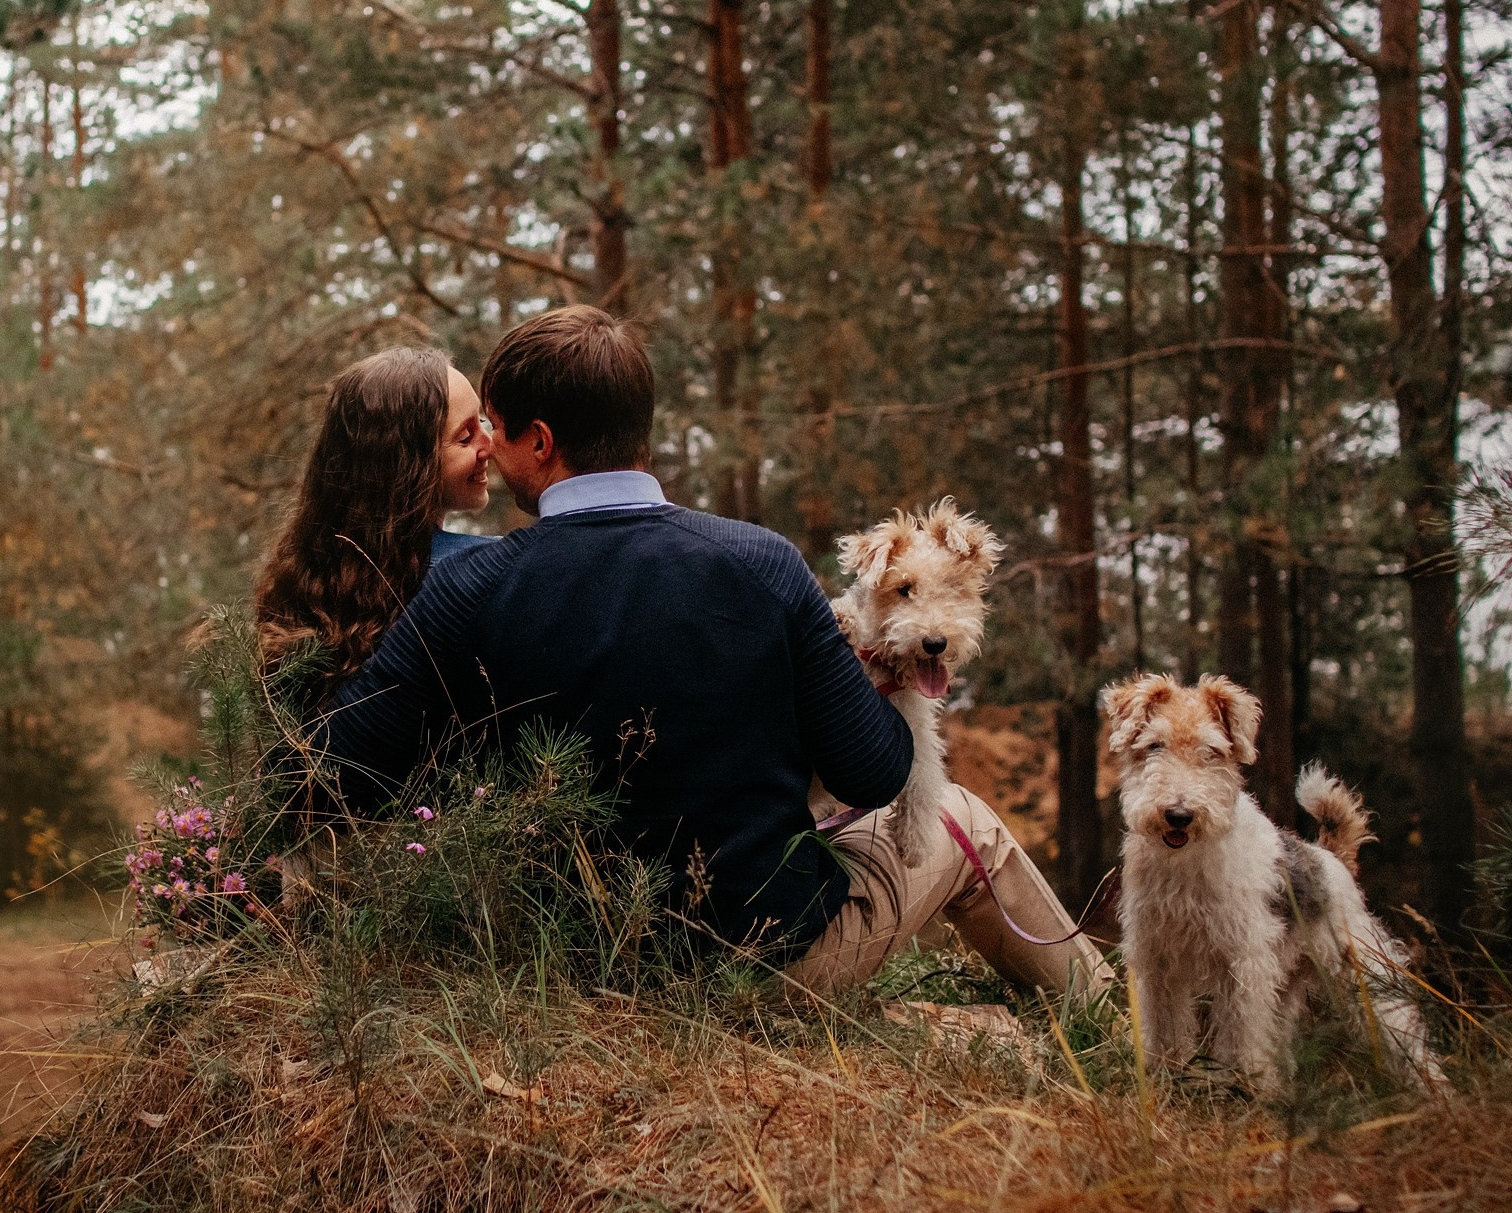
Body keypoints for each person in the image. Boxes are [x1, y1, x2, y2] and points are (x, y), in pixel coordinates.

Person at [317, 307, 1107, 997]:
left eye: (494, 425)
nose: (488, 444)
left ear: (542, 441)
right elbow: (874, 773)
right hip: (772, 964)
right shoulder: (762, 563)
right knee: (967, 819)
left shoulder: (472, 590)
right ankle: (1115, 1027)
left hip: (575, 972)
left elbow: (332, 770)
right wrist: (869, 673)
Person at [253, 347, 496, 689]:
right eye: (466, 436)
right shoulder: (485, 573)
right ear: (410, 466)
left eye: (484, 421)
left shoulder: (309, 592)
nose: (490, 444)